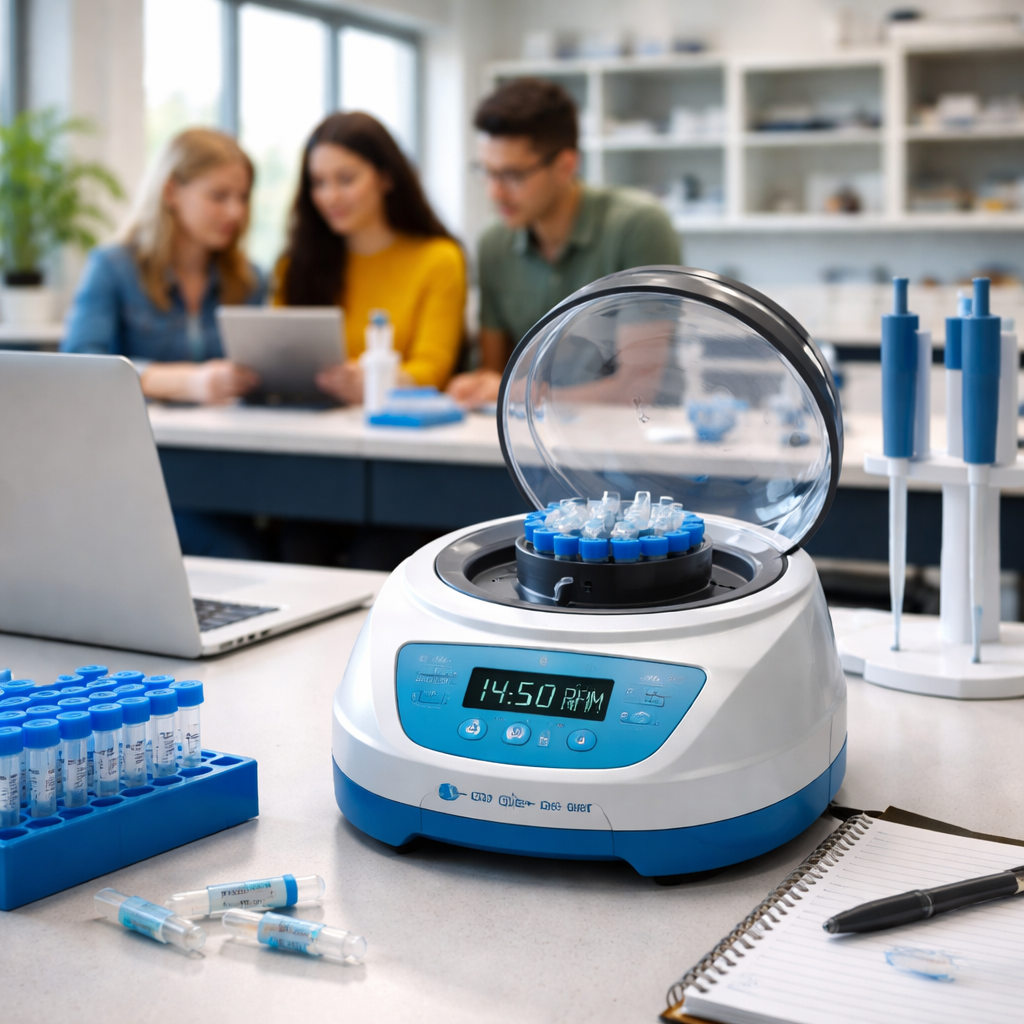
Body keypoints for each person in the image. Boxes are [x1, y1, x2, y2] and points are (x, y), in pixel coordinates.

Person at [447, 78, 682, 408]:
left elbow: (637, 389)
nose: (494, 192)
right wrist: (475, 388)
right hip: (532, 436)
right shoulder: (494, 242)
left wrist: (515, 393)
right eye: (486, 172)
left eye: (512, 176)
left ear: (565, 166)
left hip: (638, 439)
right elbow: (495, 372)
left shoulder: (638, 226)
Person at [62, 128, 266, 404]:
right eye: (219, 196)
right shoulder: (112, 268)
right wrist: (188, 383)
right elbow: (79, 367)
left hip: (228, 439)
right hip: (134, 438)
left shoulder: (251, 280)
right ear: (171, 192)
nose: (236, 212)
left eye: (243, 197)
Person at [275, 111, 466, 404]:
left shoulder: (439, 260)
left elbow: (432, 371)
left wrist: (374, 380)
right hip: (305, 423)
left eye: (346, 179)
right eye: (318, 182)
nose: (331, 196)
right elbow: (278, 359)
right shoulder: (294, 265)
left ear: (386, 178)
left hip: (395, 429)